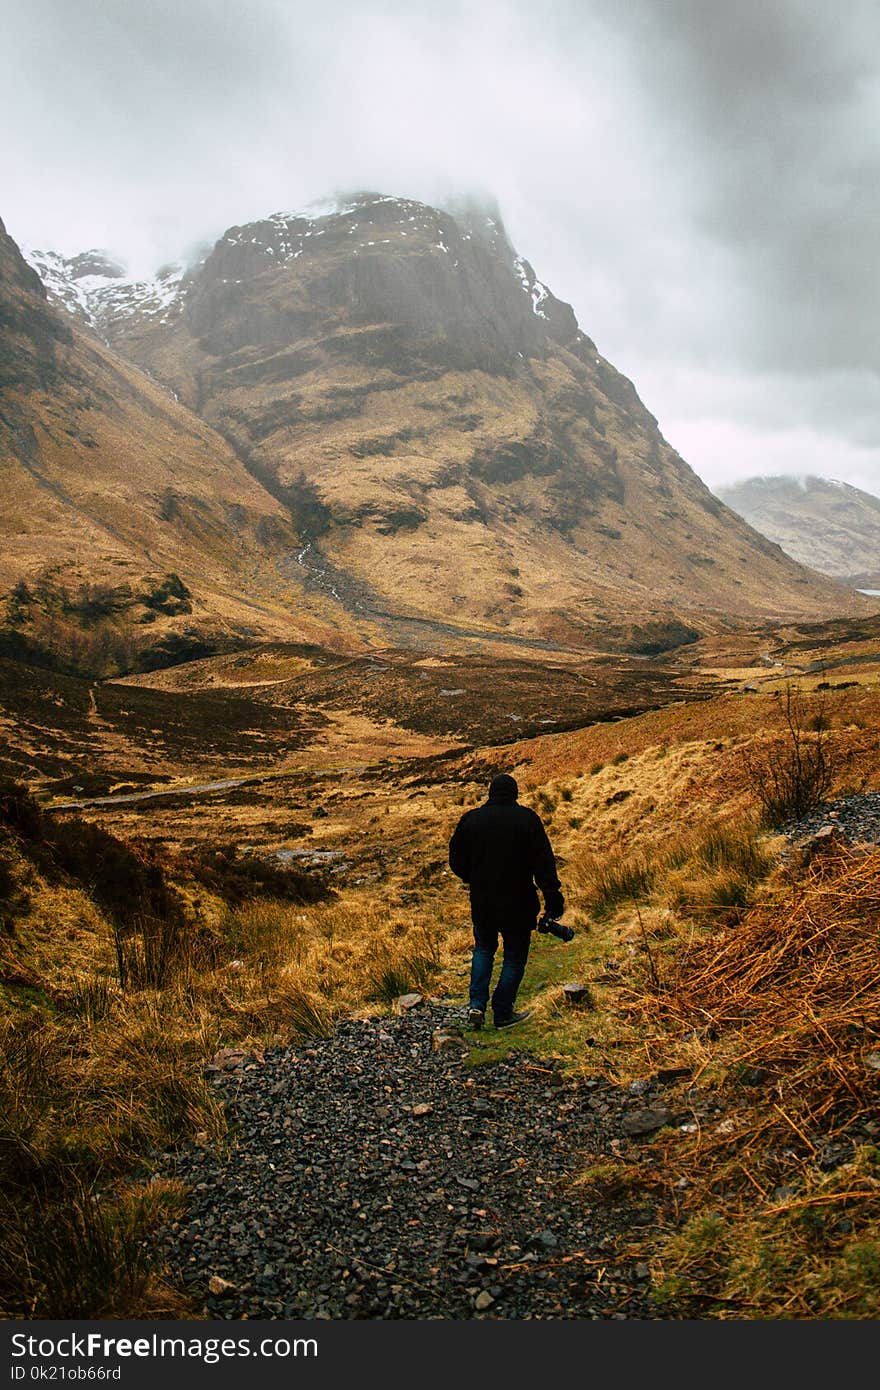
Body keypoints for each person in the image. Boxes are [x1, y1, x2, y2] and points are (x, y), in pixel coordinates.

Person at [448, 773, 564, 1031]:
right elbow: (544, 863)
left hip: (483, 902)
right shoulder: (527, 820)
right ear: (515, 794)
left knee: (483, 949)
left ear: (490, 793)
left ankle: (476, 1006)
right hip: (519, 901)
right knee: (514, 956)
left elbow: (455, 859)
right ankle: (502, 1013)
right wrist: (552, 896)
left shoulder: (471, 820)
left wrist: (473, 877)